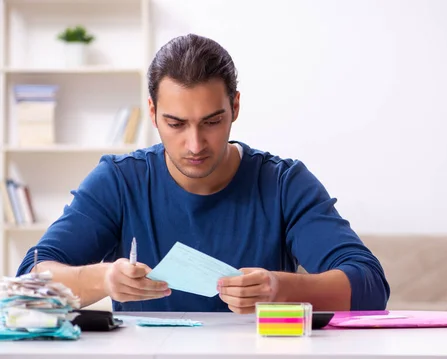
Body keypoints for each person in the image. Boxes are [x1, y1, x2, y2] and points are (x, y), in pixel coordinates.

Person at [16, 34, 390, 313]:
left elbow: (371, 286)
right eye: (175, 124)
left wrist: (280, 288)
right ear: (152, 112)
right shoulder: (119, 182)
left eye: (211, 122)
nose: (195, 145)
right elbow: (29, 282)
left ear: (236, 107)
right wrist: (103, 279)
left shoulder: (282, 184)